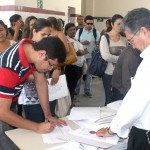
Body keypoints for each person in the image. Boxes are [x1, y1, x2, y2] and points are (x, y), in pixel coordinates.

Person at [96, 8, 150, 150]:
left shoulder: (148, 63)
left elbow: (135, 104)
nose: (134, 46)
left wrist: (112, 129)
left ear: (144, 32)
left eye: (132, 41)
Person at [0, 36, 67, 149]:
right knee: (5, 140)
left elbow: (40, 83)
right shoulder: (9, 66)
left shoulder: (33, 48)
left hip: (9, 101)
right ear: (41, 54)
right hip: (2, 107)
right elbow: (2, 112)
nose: (51, 69)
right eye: (51, 64)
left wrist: (48, 115)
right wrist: (37, 127)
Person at [22, 18, 60, 122]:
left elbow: (55, 63)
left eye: (48, 35)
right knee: (36, 125)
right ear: (33, 31)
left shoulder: (47, 47)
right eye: (43, 35)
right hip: (31, 97)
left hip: (48, 92)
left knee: (49, 122)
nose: (46, 38)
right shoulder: (25, 49)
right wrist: (37, 76)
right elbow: (21, 77)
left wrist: (56, 70)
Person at [100, 14, 127, 105]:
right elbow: (106, 56)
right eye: (118, 24)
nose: (120, 26)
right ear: (112, 24)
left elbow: (127, 53)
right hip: (109, 74)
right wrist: (121, 58)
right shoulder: (105, 37)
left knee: (119, 99)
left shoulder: (124, 38)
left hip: (121, 74)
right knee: (109, 99)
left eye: (122, 24)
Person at [75, 15, 100, 98]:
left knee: (89, 74)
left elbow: (98, 44)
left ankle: (87, 90)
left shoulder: (96, 32)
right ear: (85, 23)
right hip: (80, 56)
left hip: (90, 56)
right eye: (88, 23)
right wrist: (83, 43)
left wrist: (97, 46)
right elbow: (75, 42)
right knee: (79, 74)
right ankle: (76, 90)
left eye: (91, 23)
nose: (90, 25)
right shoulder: (79, 31)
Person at [64, 23, 88, 103]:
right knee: (71, 84)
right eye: (71, 30)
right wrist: (84, 52)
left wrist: (83, 52)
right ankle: (70, 101)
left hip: (78, 65)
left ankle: (72, 98)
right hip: (72, 66)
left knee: (74, 84)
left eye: (74, 29)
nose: (73, 31)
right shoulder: (68, 40)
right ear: (66, 31)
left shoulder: (74, 39)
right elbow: (77, 52)